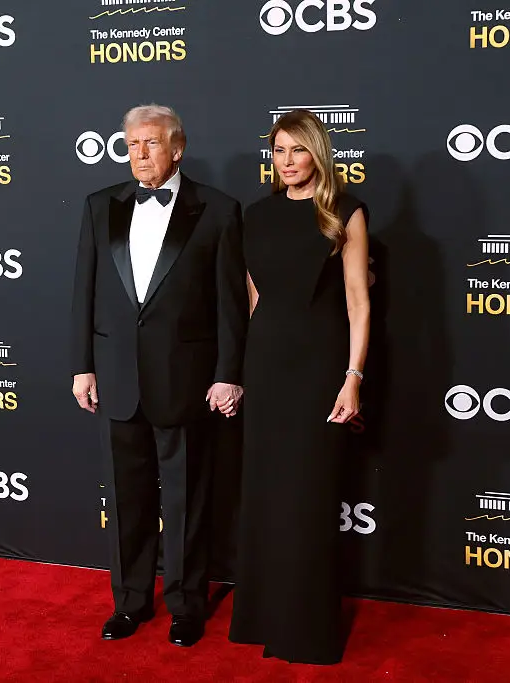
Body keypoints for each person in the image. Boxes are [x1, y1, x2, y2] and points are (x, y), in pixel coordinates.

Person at [69, 104, 248, 647]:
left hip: (187, 380)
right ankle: (129, 604)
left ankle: (187, 607)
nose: (138, 154)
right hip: (118, 378)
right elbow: (86, 292)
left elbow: (230, 305)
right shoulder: (100, 205)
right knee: (126, 500)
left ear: (178, 147)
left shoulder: (217, 210)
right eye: (130, 144)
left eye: (149, 143)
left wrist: (227, 374)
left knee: (187, 501)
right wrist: (83, 366)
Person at [228, 109, 370, 664]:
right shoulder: (255, 216)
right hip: (266, 364)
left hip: (319, 366)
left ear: (318, 153)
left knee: (308, 497)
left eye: (297, 151)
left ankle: (306, 630)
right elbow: (254, 300)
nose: (287, 162)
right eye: (278, 151)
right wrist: (240, 373)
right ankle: (261, 618)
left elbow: (359, 302)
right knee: (265, 494)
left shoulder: (343, 213)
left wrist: (352, 379)